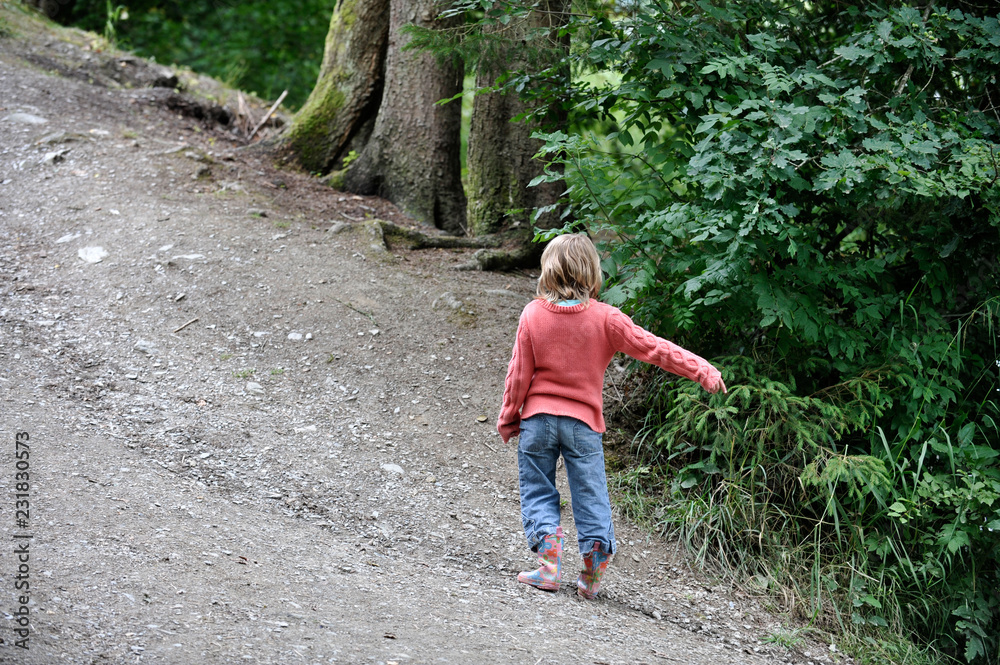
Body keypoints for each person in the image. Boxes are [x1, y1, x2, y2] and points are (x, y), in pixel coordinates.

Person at [497, 233, 727, 599]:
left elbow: (518, 373)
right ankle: (591, 572)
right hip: (583, 425)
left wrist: (509, 417)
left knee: (539, 488)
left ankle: (549, 565)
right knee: (590, 495)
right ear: (591, 272)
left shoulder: (532, 314)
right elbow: (654, 347)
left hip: (537, 420)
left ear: (548, 270)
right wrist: (702, 370)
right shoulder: (607, 318)